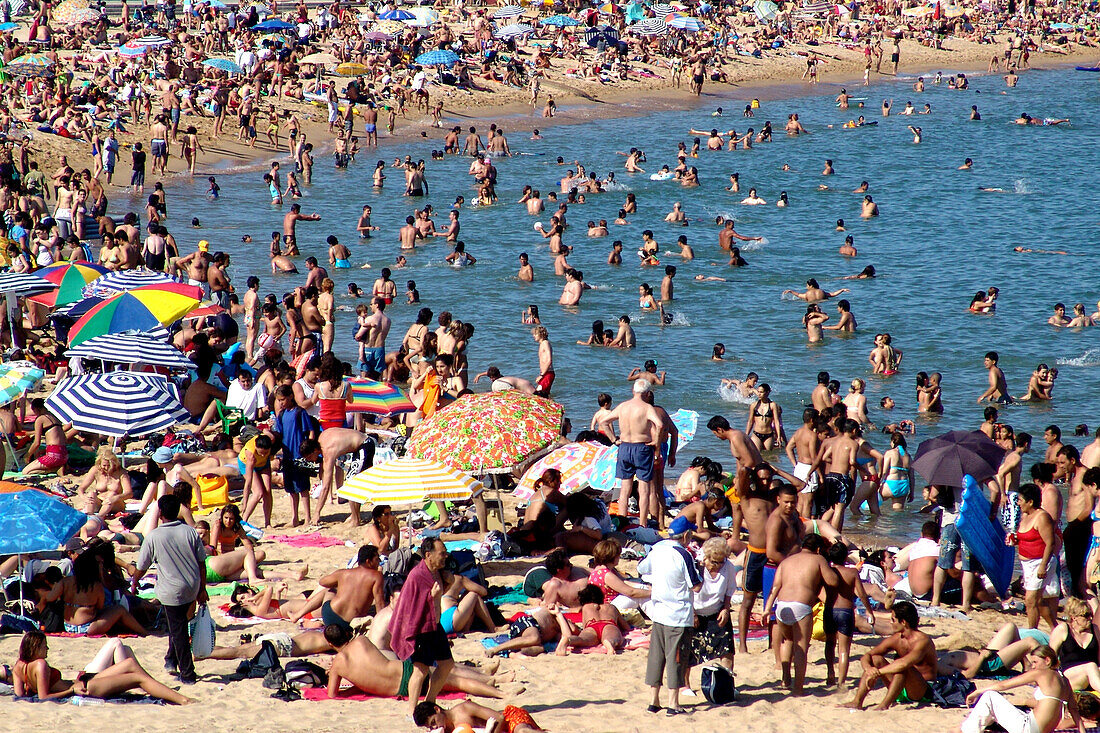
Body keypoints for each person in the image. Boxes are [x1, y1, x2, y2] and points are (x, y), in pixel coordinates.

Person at [131, 495, 207, 684]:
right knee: (179, 624)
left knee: (179, 630)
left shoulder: (154, 536)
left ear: (161, 513)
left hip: (172, 591)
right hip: (191, 586)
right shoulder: (190, 532)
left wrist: (134, 583)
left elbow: (142, 566)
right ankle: (170, 660)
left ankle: (188, 673)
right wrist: (202, 589)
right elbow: (202, 563)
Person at [638, 515, 702, 717]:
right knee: (676, 658)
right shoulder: (683, 555)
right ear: (686, 535)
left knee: (656, 658)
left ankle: (654, 701)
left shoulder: (657, 550)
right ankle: (673, 704)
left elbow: (641, 569)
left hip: (659, 612)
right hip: (678, 615)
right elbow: (697, 585)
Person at [12, 633, 193, 704]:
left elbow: (20, 695)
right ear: (35, 648)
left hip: (84, 682)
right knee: (137, 678)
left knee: (129, 664)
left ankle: (160, 689)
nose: (48, 649)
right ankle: (183, 700)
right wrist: (70, 689)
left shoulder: (18, 667)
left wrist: (32, 686)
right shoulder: (41, 664)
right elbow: (44, 697)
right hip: (86, 688)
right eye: (44, 646)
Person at [764, 533, 838, 696]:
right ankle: (798, 688)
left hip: (781, 607)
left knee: (788, 640)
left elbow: (775, 587)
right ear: (818, 549)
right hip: (801, 607)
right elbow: (832, 581)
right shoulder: (818, 560)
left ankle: (785, 679)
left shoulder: (786, 561)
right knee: (801, 649)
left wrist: (767, 608)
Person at [390, 538, 455, 716]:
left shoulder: (438, 572)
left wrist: (449, 583)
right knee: (420, 669)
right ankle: (412, 710)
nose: (445, 556)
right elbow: (411, 604)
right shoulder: (417, 575)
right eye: (441, 553)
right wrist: (431, 597)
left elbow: (440, 593)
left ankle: (429, 701)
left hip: (435, 625)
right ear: (428, 555)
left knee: (447, 664)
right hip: (421, 628)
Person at [840, 600, 937, 710]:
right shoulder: (897, 638)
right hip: (899, 687)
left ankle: (884, 705)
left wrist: (877, 673)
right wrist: (869, 669)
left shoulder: (923, 641)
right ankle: (857, 702)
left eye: (893, 620)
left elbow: (904, 663)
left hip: (921, 691)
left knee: (903, 667)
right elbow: (867, 656)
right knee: (876, 659)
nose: (891, 623)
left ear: (903, 622)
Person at [961, 645, 1082, 733]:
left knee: (989, 697)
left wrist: (977, 692)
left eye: (1035, 662)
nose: (1033, 666)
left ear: (1047, 660)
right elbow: (1074, 710)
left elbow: (1003, 685)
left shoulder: (1041, 673)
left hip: (1029, 729)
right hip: (1044, 730)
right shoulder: (1064, 680)